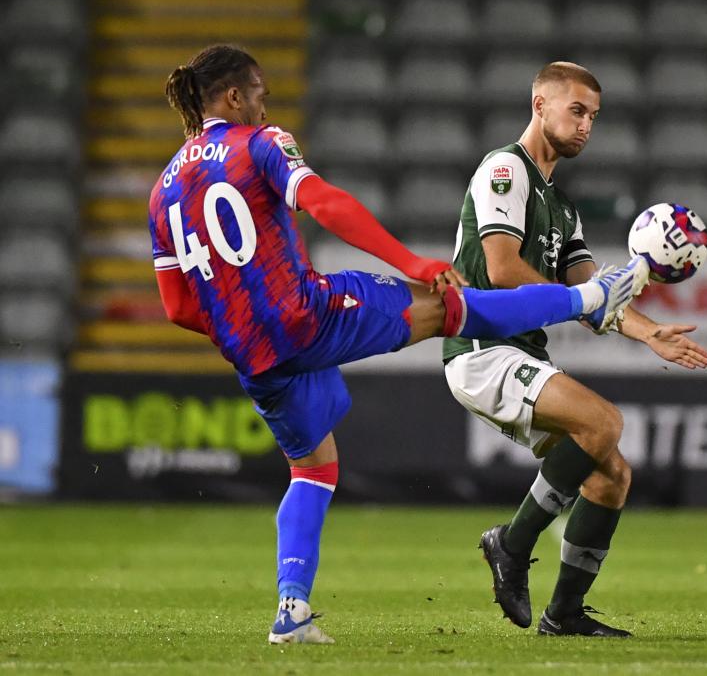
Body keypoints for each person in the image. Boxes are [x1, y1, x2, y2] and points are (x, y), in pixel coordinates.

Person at [150, 45, 648, 645]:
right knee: (452, 309)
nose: (263, 103)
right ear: (233, 96)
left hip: (253, 349)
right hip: (311, 314)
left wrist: (245, 328)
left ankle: (292, 611)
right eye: (258, 93)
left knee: (312, 469)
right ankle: (589, 299)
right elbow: (325, 203)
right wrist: (412, 260)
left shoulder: (164, 187)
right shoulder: (259, 144)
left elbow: (178, 308)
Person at [443, 62, 707, 637]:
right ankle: (510, 546)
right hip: (481, 348)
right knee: (604, 423)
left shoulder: (563, 209)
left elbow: (595, 294)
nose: (586, 124)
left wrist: (649, 332)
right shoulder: (503, 170)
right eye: (577, 110)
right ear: (539, 104)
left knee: (611, 476)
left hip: (523, 356)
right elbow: (501, 267)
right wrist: (585, 296)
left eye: (593, 116)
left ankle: (563, 616)